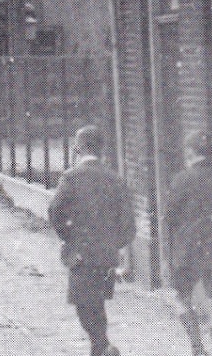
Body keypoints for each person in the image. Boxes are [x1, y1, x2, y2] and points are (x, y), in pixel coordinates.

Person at [49, 125, 136, 356]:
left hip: (81, 253)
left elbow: (55, 212)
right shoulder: (115, 179)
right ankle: (101, 347)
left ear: (78, 147)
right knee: (96, 303)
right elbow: (128, 223)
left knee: (84, 304)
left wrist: (69, 239)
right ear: (102, 148)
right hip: (106, 255)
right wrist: (114, 244)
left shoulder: (71, 177)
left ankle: (103, 346)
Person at [166, 130, 212, 356]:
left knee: (181, 298)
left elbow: (170, 216)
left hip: (187, 250)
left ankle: (197, 348)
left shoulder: (181, 180)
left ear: (189, 152)